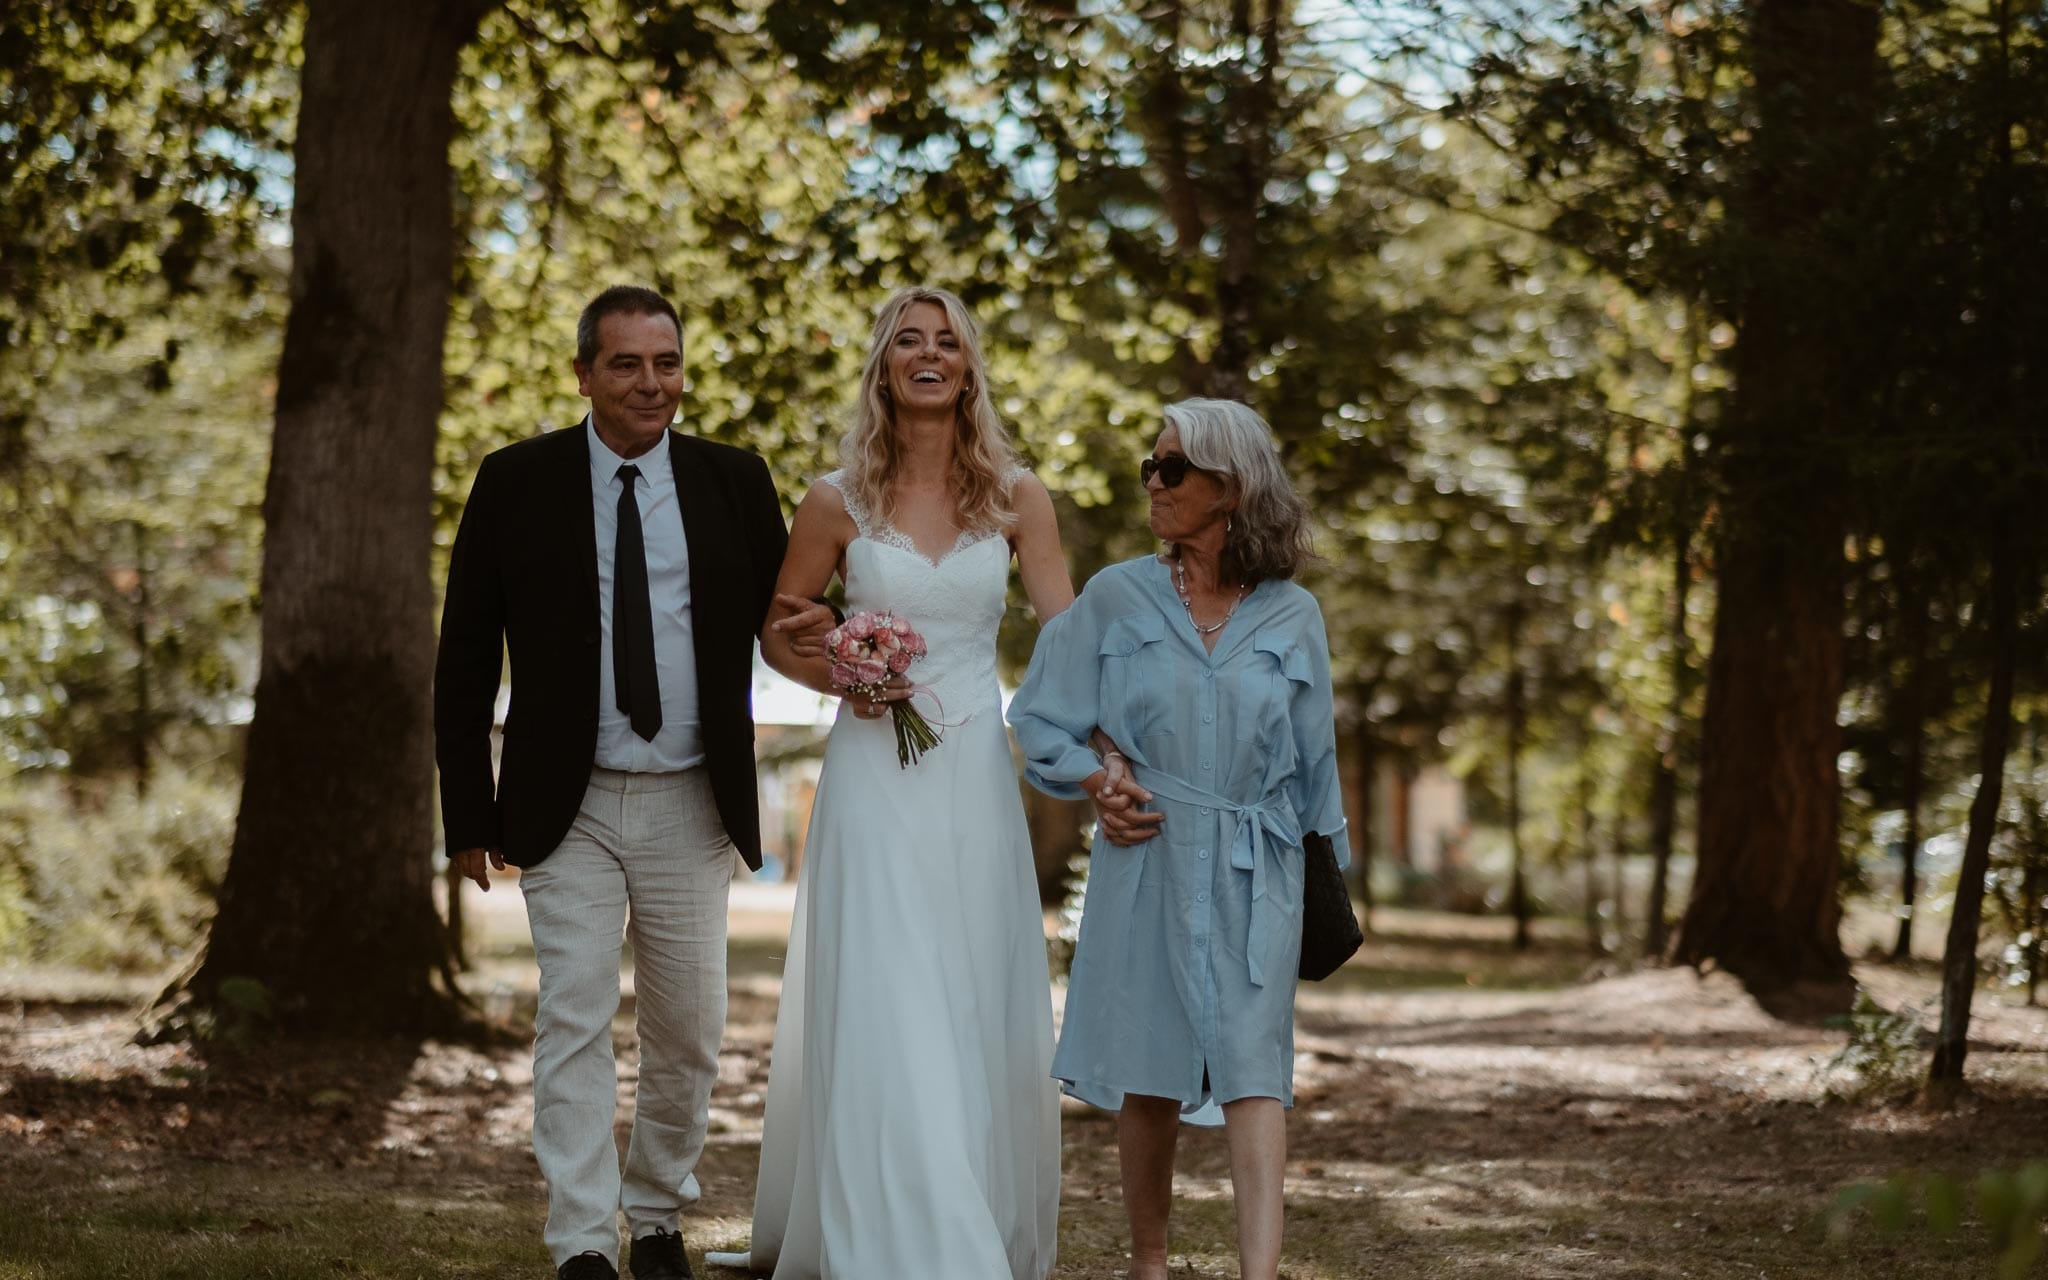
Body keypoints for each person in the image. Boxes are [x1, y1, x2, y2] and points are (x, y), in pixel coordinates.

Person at [434, 285, 835, 1280]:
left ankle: (655, 1214)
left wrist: (862, 656)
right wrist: (466, 811)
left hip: (692, 799)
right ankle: (580, 1236)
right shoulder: (515, 480)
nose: (651, 383)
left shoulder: (732, 480)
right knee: (572, 1015)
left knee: (688, 1030)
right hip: (564, 804)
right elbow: (464, 656)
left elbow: (782, 623)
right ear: (583, 373)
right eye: (626, 363)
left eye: (666, 363)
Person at [705, 287, 1072, 1279]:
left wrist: (1092, 740)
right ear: (881, 365)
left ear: (967, 367)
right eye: (908, 340)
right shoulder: (836, 500)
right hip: (872, 771)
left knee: (966, 977)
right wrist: (851, 673)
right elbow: (782, 631)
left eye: (945, 342)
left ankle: (966, 1201)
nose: (927, 354)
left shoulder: (1015, 497)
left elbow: (1067, 637)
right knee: (886, 979)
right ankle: (896, 1224)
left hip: (971, 772)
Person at [1007, 397, 1347, 1280]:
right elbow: (1041, 717)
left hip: (1257, 863)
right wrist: (1097, 780)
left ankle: (1259, 1274)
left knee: (1254, 1064)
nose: (1152, 483)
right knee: (1148, 1062)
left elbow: (1317, 765)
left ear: (1230, 490)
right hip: (1146, 850)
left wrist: (1327, 880)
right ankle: (1149, 1264)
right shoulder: (1117, 597)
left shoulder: (1293, 614)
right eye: (1149, 467)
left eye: (1173, 469)